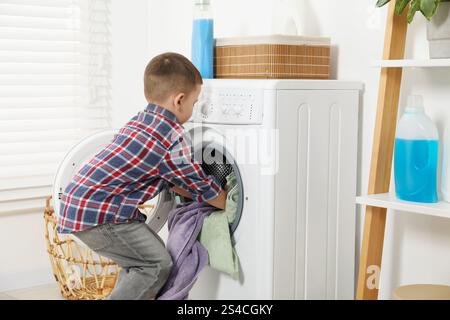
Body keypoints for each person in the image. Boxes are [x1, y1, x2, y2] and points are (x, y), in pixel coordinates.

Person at [57, 52, 227, 300]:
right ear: (179, 100)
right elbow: (200, 186)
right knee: (156, 264)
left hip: (82, 204)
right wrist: (229, 203)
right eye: (195, 101)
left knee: (139, 264)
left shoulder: (140, 120)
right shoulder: (172, 138)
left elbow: (174, 180)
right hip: (101, 215)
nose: (193, 108)